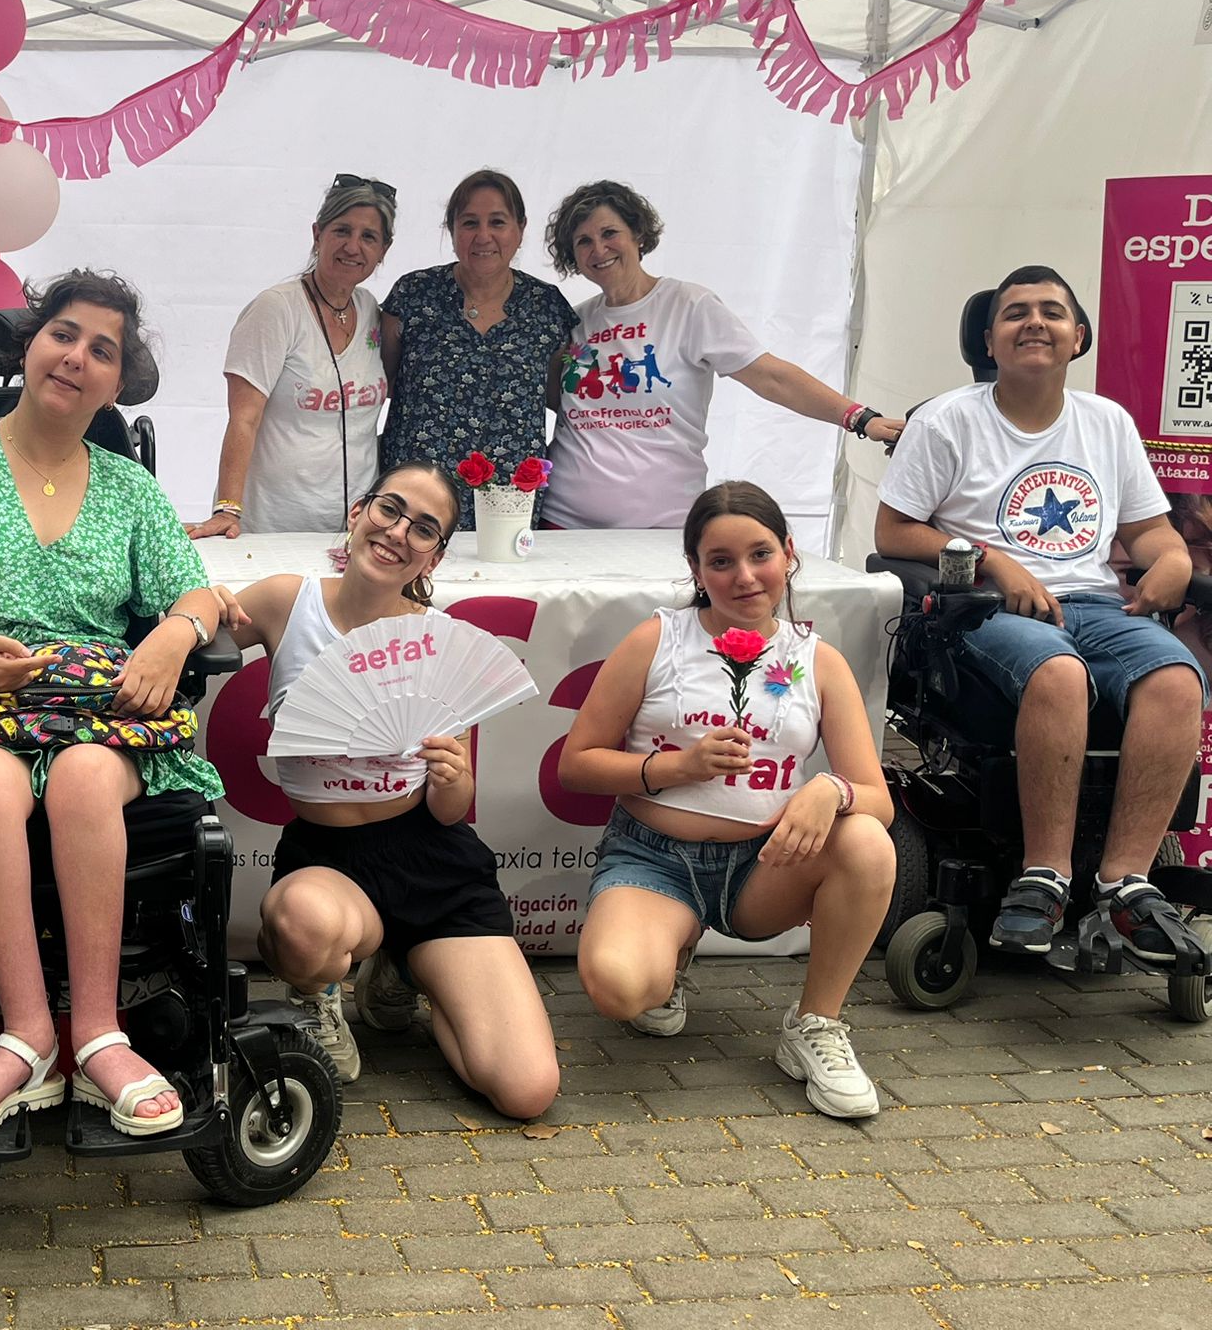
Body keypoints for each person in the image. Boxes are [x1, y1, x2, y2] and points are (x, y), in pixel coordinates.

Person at [0, 269, 226, 1141]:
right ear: (30, 344)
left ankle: (98, 1032)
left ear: (116, 379)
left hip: (96, 710)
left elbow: (200, 598)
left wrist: (173, 637)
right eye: (64, 333)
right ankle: (28, 1036)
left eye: (103, 349)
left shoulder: (131, 488)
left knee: (83, 782)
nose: (77, 357)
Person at [874, 264, 1206, 963]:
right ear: (989, 340)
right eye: (1015, 311)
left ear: (1077, 337)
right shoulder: (949, 420)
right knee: (1057, 671)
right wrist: (995, 560)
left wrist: (1172, 559)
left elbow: (1149, 533)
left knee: (1178, 679)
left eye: (1052, 312)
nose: (1034, 321)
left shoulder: (1106, 422)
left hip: (1094, 602)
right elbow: (895, 533)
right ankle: (1045, 875)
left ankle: (1126, 882)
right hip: (987, 609)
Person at [215, 460, 560, 1119]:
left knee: (526, 1090)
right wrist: (184, 623)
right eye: (391, 510)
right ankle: (322, 993)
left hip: (433, 858)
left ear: (434, 556)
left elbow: (451, 808)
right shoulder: (289, 602)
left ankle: (407, 969)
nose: (400, 531)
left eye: (424, 528)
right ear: (358, 513)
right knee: (302, 927)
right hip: (330, 858)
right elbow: (206, 614)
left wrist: (455, 779)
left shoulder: (437, 640)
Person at [558, 481, 894, 1119]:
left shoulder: (818, 661)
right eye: (720, 561)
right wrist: (675, 766)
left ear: (790, 554)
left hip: (764, 866)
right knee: (621, 988)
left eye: (760, 554)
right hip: (654, 860)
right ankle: (669, 956)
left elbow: (877, 799)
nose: (744, 576)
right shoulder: (657, 639)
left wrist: (832, 789)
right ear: (695, 569)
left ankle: (815, 1025)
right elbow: (577, 765)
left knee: (866, 842)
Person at [539, 180, 903, 530]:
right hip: (565, 524)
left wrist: (858, 417)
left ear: (638, 234)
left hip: (661, 528)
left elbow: (770, 377)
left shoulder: (688, 306)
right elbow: (555, 399)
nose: (598, 249)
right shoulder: (573, 321)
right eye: (583, 241)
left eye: (609, 233)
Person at [188, 175, 397, 538]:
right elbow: (243, 419)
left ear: (383, 250)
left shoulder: (371, 311)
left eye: (368, 237)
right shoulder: (276, 309)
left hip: (355, 530)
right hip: (272, 528)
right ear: (317, 234)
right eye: (342, 230)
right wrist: (227, 510)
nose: (352, 246)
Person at [379, 170, 576, 528]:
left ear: (520, 229)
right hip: (415, 498)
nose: (483, 236)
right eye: (469, 222)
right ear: (451, 230)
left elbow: (557, 396)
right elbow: (380, 381)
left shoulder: (547, 307)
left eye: (497, 222)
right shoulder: (413, 294)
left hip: (509, 502)